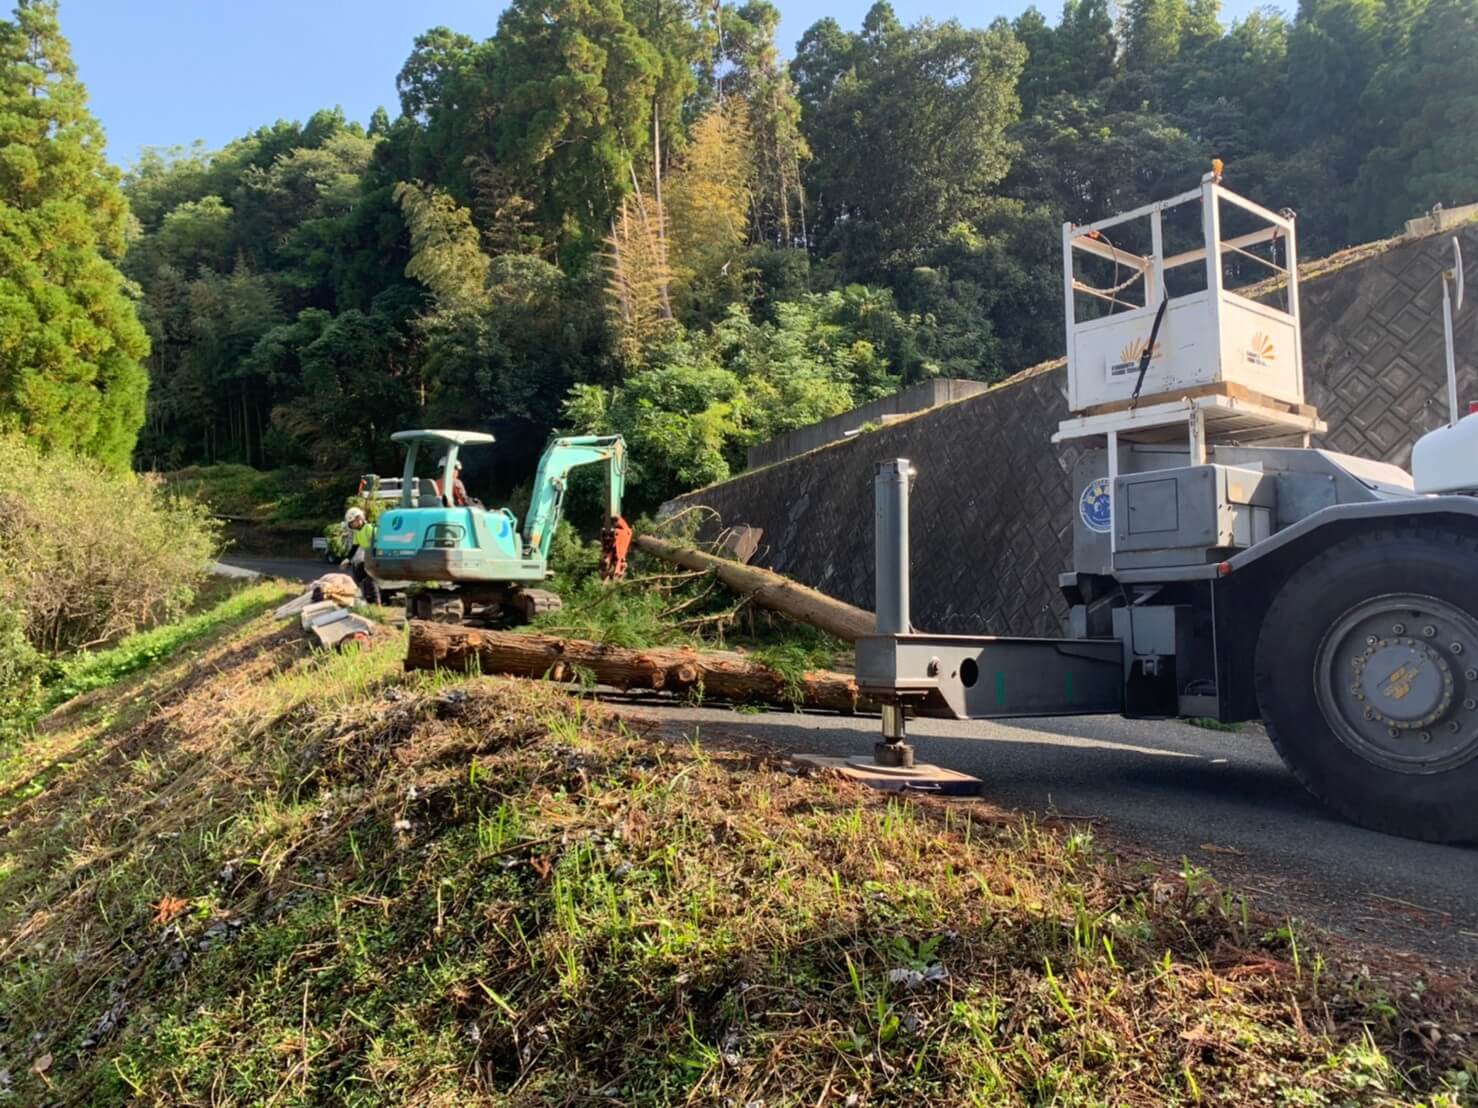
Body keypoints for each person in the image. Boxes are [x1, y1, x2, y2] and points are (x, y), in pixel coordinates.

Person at [341, 506, 381, 604]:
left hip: (376, 555)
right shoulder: (358, 533)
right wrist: (347, 559)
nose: (352, 525)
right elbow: (354, 547)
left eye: (352, 522)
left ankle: (377, 602)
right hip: (368, 556)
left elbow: (378, 542)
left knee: (370, 578)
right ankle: (365, 598)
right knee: (358, 571)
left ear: (359, 519)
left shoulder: (369, 528)